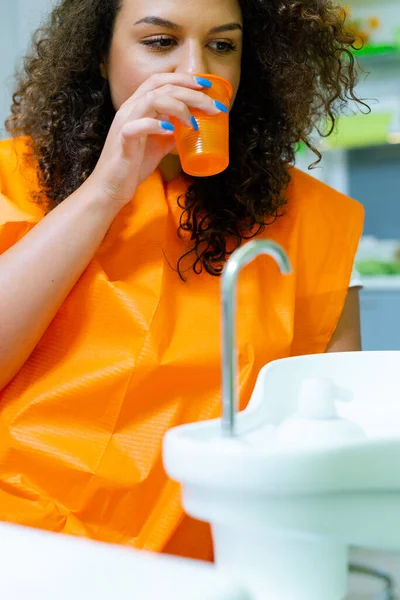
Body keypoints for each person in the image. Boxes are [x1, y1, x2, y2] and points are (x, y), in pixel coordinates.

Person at [0, 0, 364, 560]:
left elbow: (334, 429)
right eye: (160, 42)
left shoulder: (311, 220)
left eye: (222, 46)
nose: (195, 70)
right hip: (28, 543)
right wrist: (106, 189)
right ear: (101, 56)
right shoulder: (13, 179)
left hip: (213, 558)